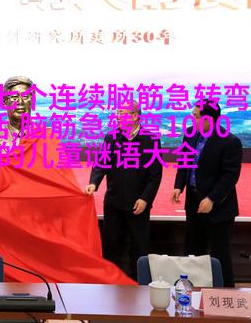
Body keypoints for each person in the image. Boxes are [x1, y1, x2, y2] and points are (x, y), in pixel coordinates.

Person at [85, 101, 163, 279]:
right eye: (118, 112)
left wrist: (145, 199)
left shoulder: (150, 140)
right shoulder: (112, 138)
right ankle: (111, 284)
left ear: (135, 116)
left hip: (138, 204)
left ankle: (138, 286)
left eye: (122, 113)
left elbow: (155, 175)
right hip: (114, 202)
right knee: (112, 247)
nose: (118, 116)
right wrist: (93, 182)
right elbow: (101, 163)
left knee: (139, 248)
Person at [171, 99, 242, 287]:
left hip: (218, 207)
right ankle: (191, 291)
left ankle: (226, 294)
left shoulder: (230, 141)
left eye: (196, 116)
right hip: (194, 202)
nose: (192, 119)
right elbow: (184, 163)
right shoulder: (190, 135)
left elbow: (230, 176)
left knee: (220, 255)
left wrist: (212, 198)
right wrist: (178, 186)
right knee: (193, 251)